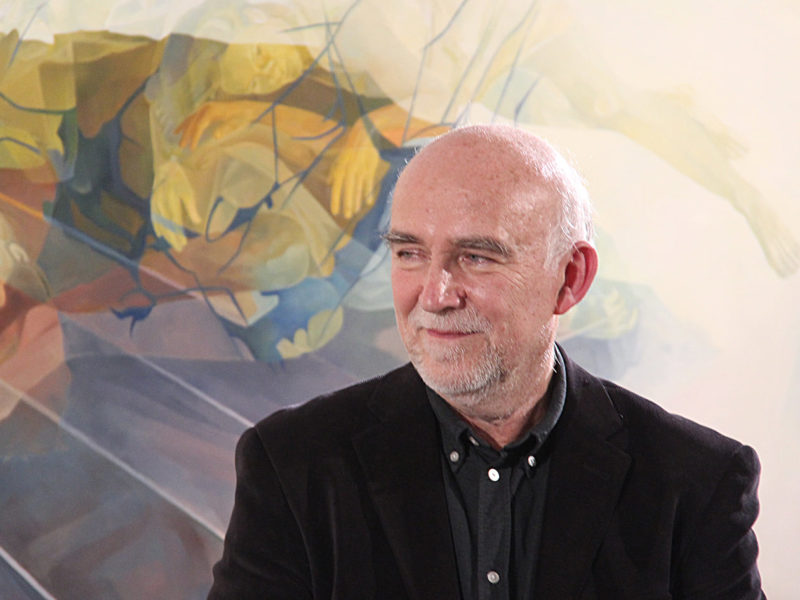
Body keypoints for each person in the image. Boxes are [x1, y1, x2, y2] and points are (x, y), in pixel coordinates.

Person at [207, 124, 764, 599]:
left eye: (475, 257)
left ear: (570, 278)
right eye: (409, 253)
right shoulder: (292, 465)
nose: (435, 295)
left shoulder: (696, 483)